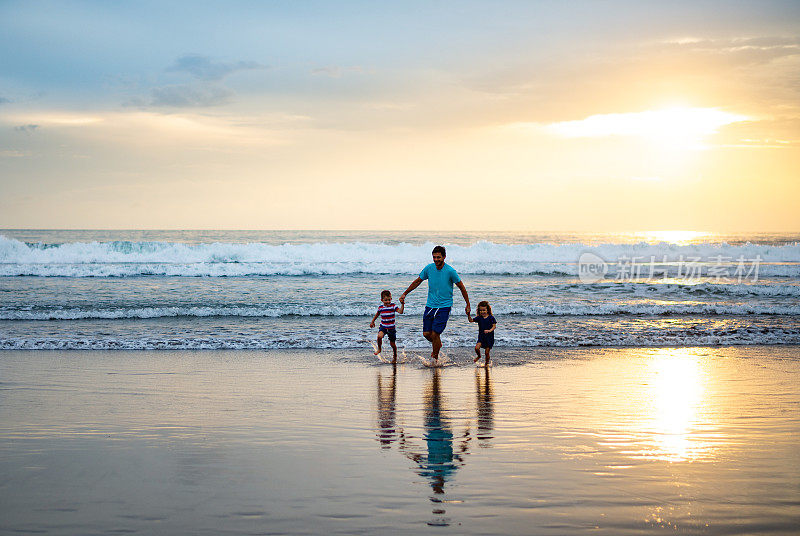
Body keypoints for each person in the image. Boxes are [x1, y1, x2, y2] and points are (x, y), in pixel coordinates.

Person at [399, 245, 470, 361]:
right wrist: (405, 293)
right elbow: (418, 281)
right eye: (434, 257)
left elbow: (462, 287)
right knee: (427, 334)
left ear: (444, 257)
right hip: (430, 305)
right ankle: (438, 344)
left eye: (438, 257)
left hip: (444, 306)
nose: (436, 260)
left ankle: (435, 359)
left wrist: (468, 304)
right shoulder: (429, 268)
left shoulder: (450, 271)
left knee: (435, 333)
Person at [370, 290, 404, 362]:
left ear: (391, 299)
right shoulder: (380, 308)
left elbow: (400, 311)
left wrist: (402, 304)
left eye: (389, 300)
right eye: (386, 300)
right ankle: (379, 349)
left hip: (391, 328)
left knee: (392, 344)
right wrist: (372, 321)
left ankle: (395, 356)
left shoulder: (393, 306)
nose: (388, 302)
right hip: (383, 327)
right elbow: (377, 315)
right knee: (379, 336)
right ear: (382, 300)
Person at [468, 300, 496, 366]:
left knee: (487, 353)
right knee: (476, 348)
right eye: (480, 310)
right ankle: (479, 356)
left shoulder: (491, 318)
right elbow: (471, 320)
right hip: (481, 337)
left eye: (484, 310)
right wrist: (468, 314)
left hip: (489, 337)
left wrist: (489, 330)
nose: (482, 312)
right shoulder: (479, 318)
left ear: (487, 310)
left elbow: (494, 326)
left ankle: (486, 364)